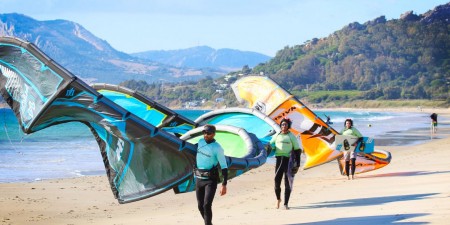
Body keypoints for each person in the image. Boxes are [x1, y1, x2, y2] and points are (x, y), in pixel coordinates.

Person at [195, 124, 228, 225]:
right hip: (199, 179)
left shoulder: (217, 148)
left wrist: (224, 185)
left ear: (213, 134)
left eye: (208, 133)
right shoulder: (200, 142)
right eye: (204, 132)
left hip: (210, 181)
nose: (206, 135)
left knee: (206, 205)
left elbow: (224, 167)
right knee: (200, 206)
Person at [269, 118, 301, 210]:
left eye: (285, 124)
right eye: (282, 124)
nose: (284, 126)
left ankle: (286, 204)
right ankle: (278, 199)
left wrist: (298, 164)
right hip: (279, 160)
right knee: (276, 182)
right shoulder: (277, 135)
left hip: (288, 161)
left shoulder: (291, 136)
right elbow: (270, 144)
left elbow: (297, 150)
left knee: (287, 183)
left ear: (288, 126)